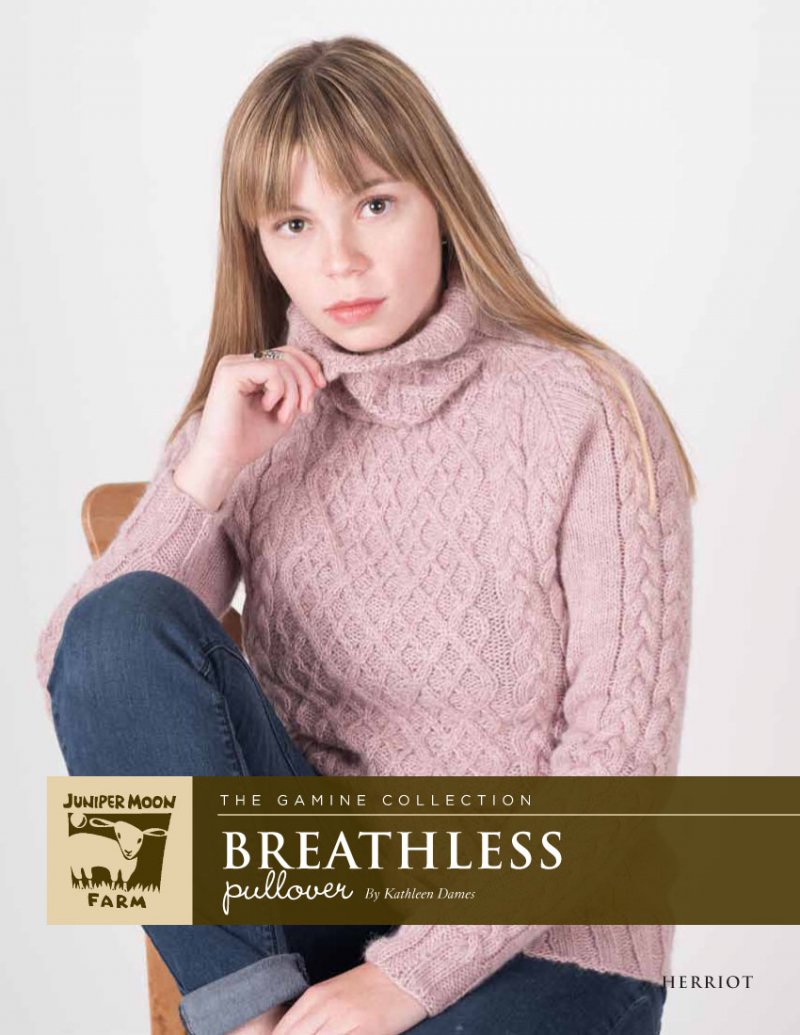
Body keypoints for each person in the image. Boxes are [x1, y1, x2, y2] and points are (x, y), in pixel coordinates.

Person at [36, 34, 696, 1035]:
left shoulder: (586, 408)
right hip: (313, 914)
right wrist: (207, 473)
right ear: (258, 244)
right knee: (116, 624)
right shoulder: (256, 416)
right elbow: (81, 675)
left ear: (441, 200)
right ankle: (246, 1018)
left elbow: (621, 763)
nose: (338, 261)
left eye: (374, 205)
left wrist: (403, 980)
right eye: (293, 223)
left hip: (547, 936)